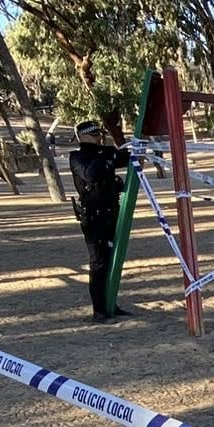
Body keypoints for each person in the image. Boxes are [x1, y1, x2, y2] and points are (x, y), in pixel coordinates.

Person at [69, 120, 126, 320]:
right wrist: (106, 156)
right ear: (83, 136)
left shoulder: (103, 153)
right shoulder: (77, 157)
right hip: (94, 218)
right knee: (99, 263)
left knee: (112, 261)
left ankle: (111, 303)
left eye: (99, 134)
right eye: (95, 135)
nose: (99, 138)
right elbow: (91, 174)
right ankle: (99, 309)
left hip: (111, 214)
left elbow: (125, 158)